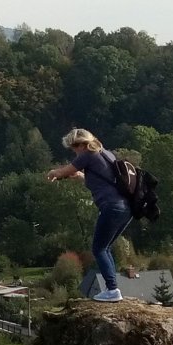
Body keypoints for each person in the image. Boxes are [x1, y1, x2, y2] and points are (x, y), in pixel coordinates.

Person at [46, 128, 130, 302]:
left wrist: (54, 173)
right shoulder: (105, 154)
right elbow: (103, 181)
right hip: (125, 207)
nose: (74, 151)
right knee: (105, 248)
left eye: (74, 147)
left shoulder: (87, 153)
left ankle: (112, 290)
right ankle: (112, 288)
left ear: (81, 144)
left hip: (111, 207)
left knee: (98, 249)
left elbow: (63, 171)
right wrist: (80, 176)